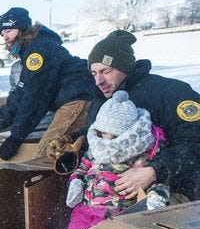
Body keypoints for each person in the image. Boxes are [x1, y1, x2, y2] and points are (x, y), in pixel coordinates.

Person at [48, 30, 200, 203]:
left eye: (106, 71)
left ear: (125, 67)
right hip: (104, 194)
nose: (98, 81)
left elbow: (194, 143)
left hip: (162, 191)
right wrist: (74, 140)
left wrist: (154, 171)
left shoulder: (170, 94)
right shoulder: (102, 99)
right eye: (93, 73)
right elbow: (104, 135)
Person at [65, 91, 169, 229]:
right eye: (104, 133)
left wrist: (157, 197)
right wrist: (76, 181)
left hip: (115, 214)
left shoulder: (140, 152)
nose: (107, 139)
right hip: (85, 209)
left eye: (114, 135)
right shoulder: (96, 145)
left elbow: (157, 180)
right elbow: (84, 166)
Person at [0, 7, 94, 160]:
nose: (6, 37)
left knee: (43, 155)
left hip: (78, 100)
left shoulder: (38, 51)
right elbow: (21, 94)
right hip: (74, 99)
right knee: (53, 154)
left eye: (9, 31)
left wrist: (15, 138)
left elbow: (35, 98)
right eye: (3, 34)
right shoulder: (33, 48)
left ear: (22, 28)